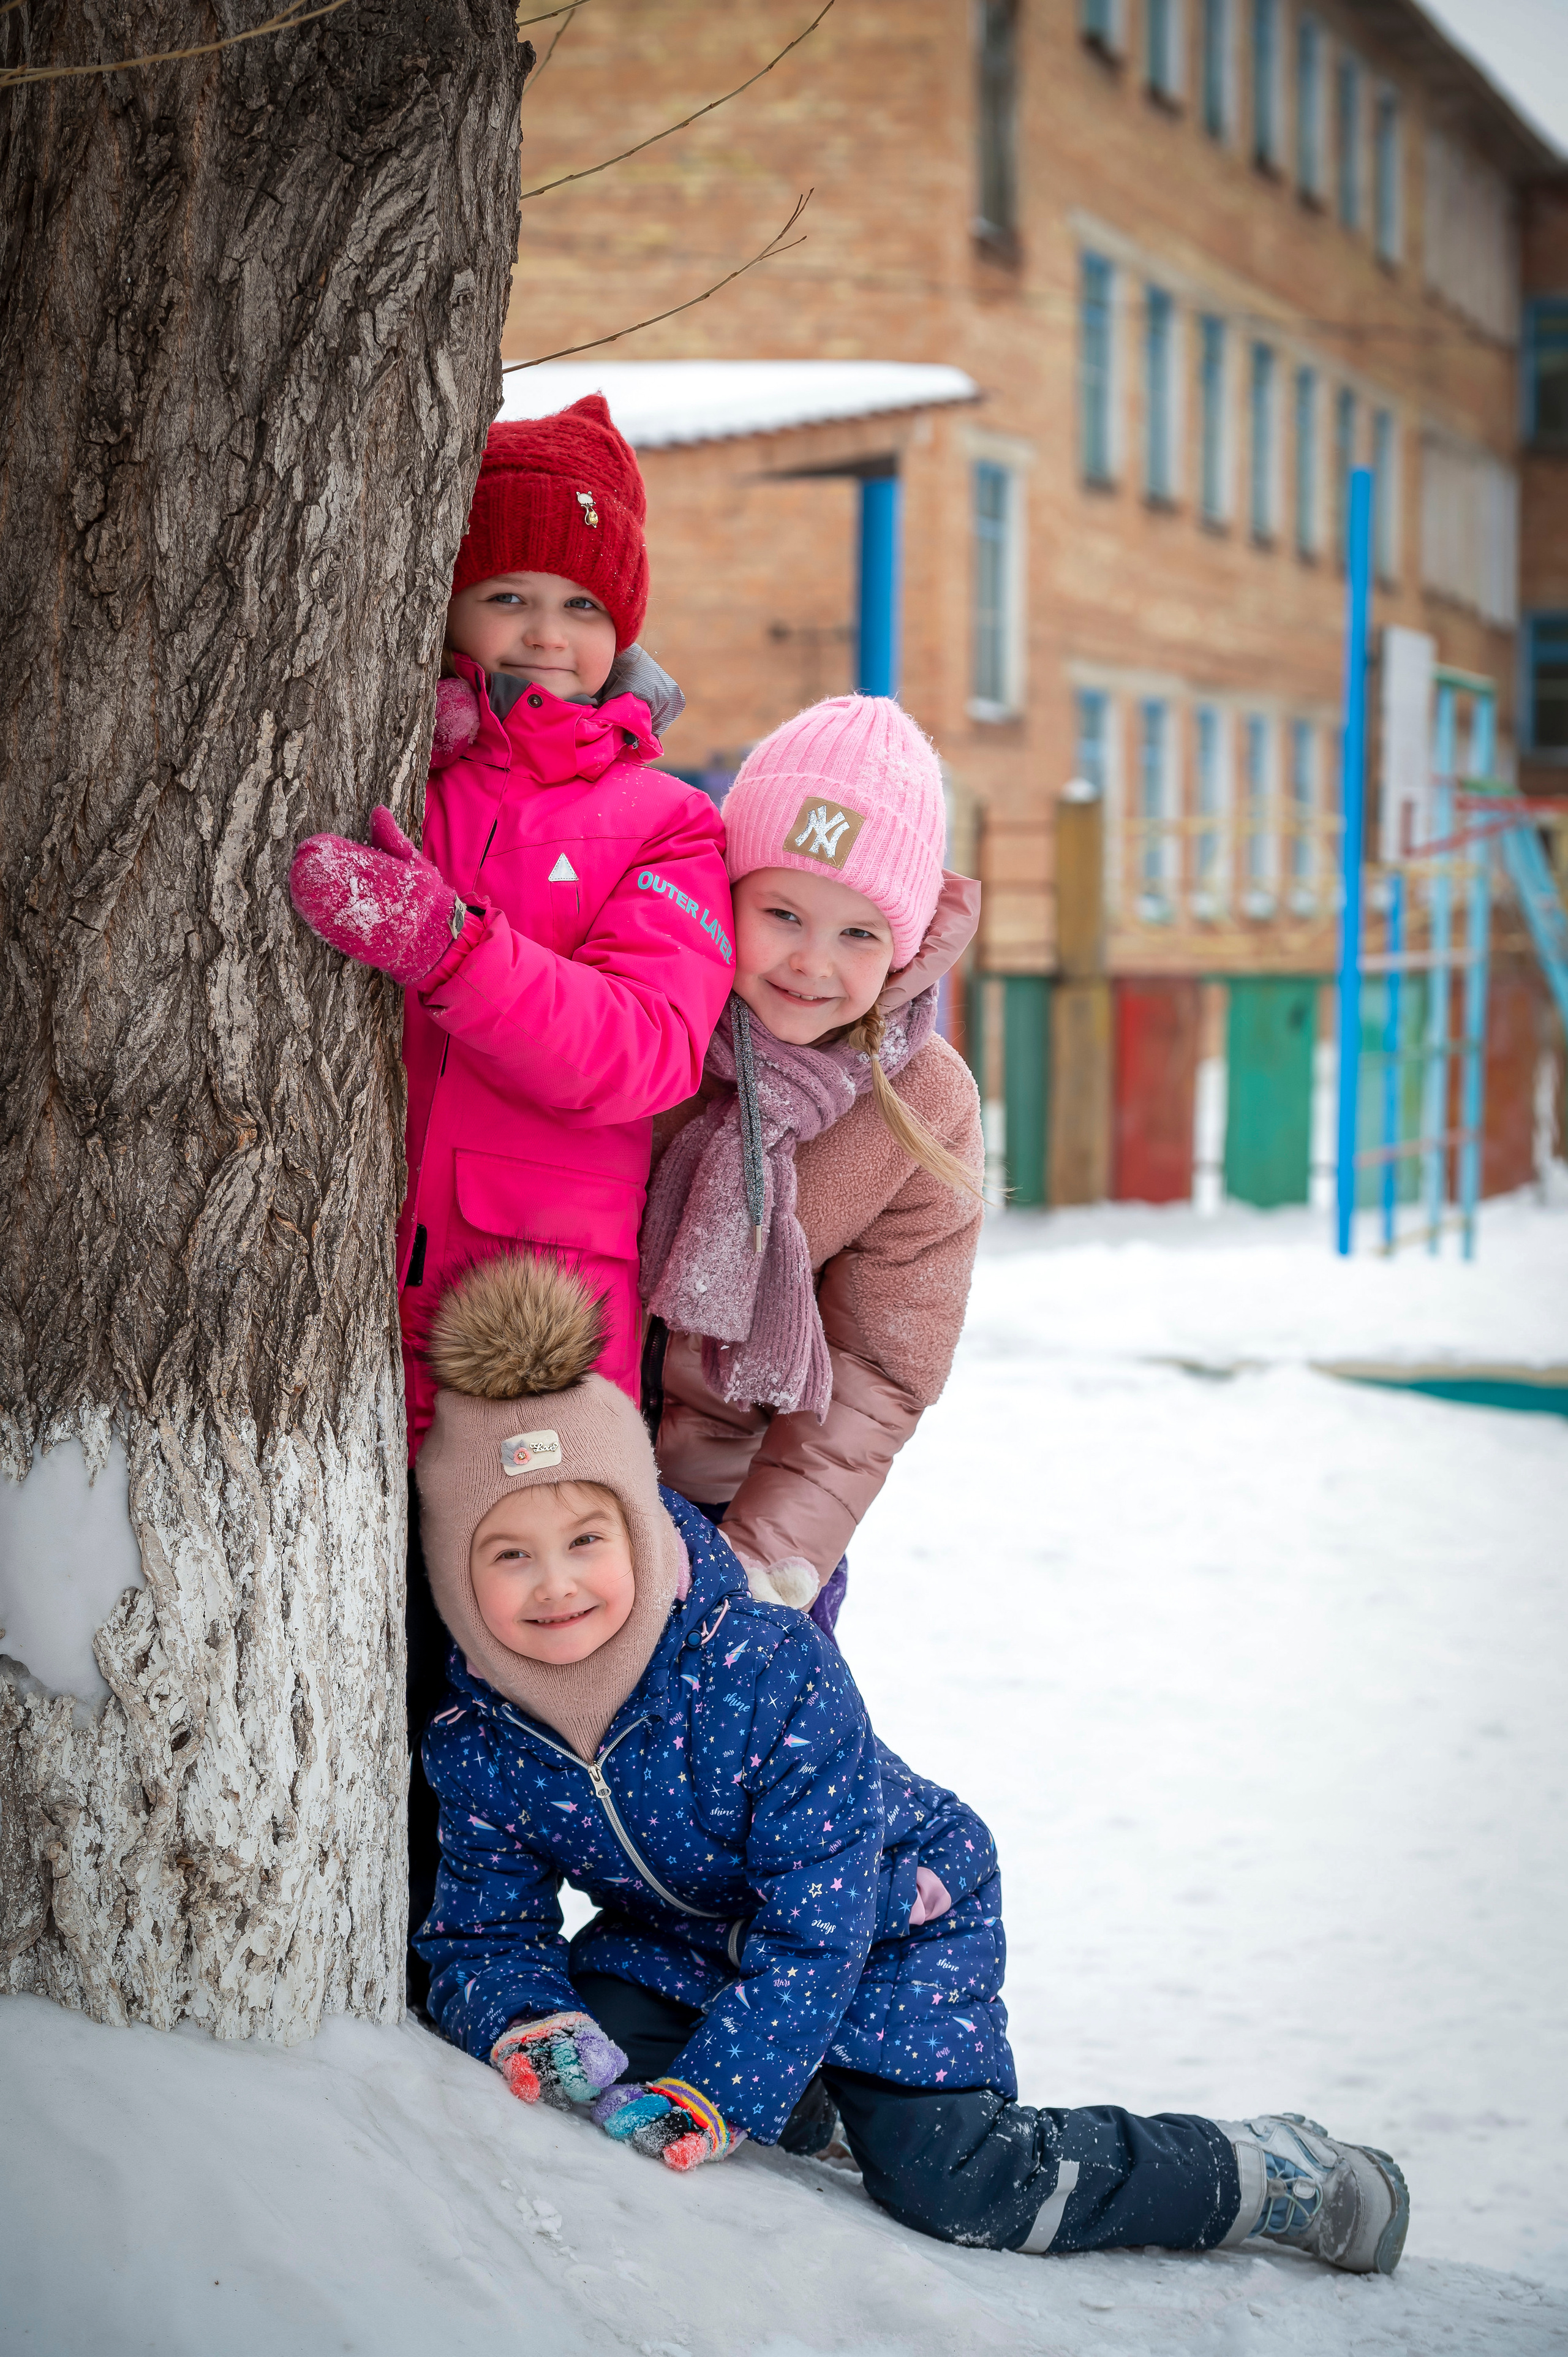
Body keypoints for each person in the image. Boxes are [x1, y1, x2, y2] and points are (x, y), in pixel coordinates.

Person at [412, 1252, 1410, 2273]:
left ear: (641, 1529)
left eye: (585, 1538)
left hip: (892, 1915)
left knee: (956, 2181)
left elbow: (822, 1915)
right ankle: (819, 2094)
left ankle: (1265, 2174)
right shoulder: (482, 1739)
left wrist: (725, 2090)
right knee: (600, 2066)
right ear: (457, 1574)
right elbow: (486, 1926)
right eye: (510, 1555)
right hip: (688, 1940)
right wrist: (526, 2018)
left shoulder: (762, 1672)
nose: (557, 1585)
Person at [285, 395, 736, 1965]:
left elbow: (641, 1047)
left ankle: (604, 1978)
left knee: (520, 1699)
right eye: (510, 596)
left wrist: (446, 948)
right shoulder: (383, 760)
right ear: (450, 601)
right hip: (330, 1330)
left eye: (582, 608)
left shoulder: (665, 827)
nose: (545, 637)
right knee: (348, 1684)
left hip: (526, 1347)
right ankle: (411, 1983)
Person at [638, 694, 985, 1639]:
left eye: (859, 933)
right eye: (782, 913)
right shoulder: (647, 1023)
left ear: (906, 944)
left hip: (751, 1511)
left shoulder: (925, 1105)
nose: (811, 963)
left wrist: (759, 1561)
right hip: (567, 1499)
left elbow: (881, 1361)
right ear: (727, 896)